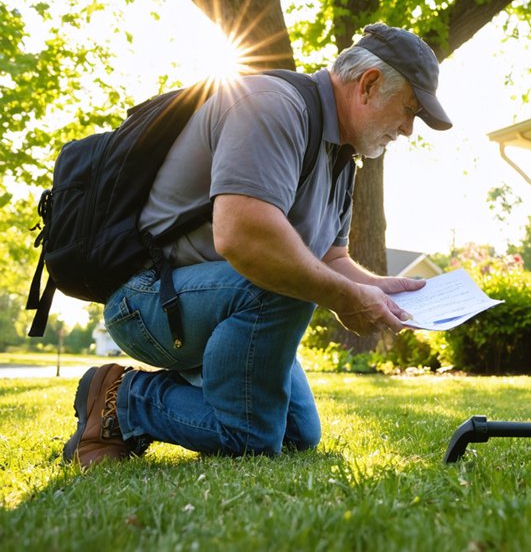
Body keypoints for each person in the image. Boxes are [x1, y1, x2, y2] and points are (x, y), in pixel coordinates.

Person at [62, 23, 452, 467]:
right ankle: (125, 399)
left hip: (220, 306)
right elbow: (244, 236)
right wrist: (344, 297)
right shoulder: (274, 105)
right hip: (145, 300)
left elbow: (331, 258)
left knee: (297, 436)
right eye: (409, 111)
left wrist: (381, 293)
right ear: (369, 84)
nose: (407, 130)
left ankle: (182, 405)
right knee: (251, 431)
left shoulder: (341, 159)